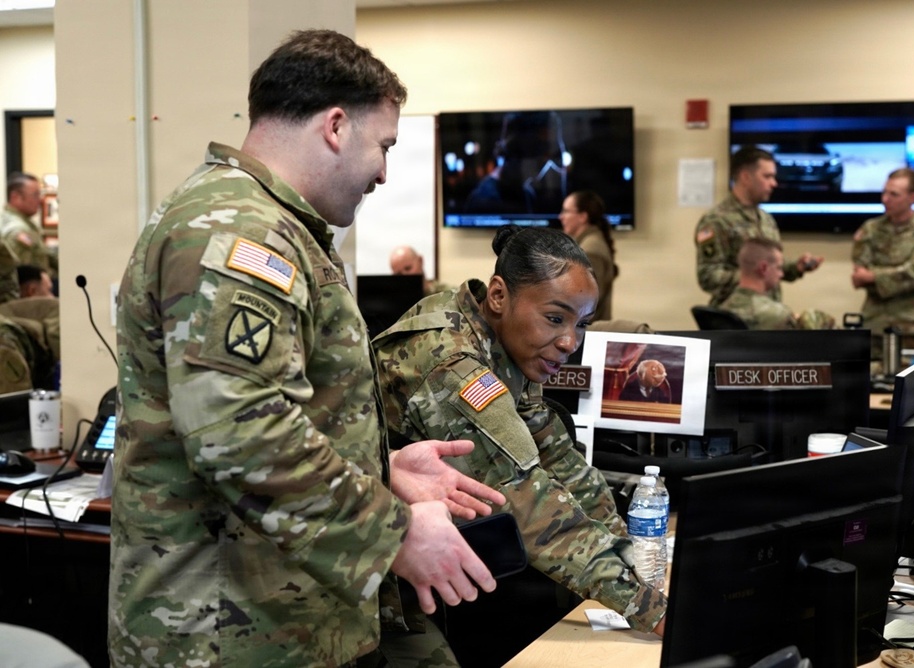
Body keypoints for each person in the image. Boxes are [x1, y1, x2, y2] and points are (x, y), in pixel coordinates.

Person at [110, 29, 508, 668]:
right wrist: (392, 536)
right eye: (383, 146)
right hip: (223, 635)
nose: (384, 171)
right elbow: (239, 433)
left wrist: (379, 466)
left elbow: (274, 408)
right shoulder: (243, 232)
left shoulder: (270, 224)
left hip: (273, 621)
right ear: (335, 126)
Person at [373, 225, 668, 642]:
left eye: (582, 324)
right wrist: (650, 607)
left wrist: (633, 560)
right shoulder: (453, 365)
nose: (569, 341)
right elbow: (529, 503)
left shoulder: (506, 338)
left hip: (424, 557)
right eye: (555, 318)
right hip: (364, 578)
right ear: (498, 295)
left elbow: (560, 460)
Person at [695, 146, 823, 306]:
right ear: (746, 177)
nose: (774, 183)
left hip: (768, 314)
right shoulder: (716, 220)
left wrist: (795, 267)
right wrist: (750, 277)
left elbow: (771, 268)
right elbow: (707, 276)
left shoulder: (766, 219)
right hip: (736, 317)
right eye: (767, 176)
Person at [851, 167, 914, 361]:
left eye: (894, 194)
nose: (885, 199)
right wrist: (892, 274)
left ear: (913, 197)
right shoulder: (871, 229)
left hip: (911, 327)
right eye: (884, 192)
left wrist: (874, 276)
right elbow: (859, 275)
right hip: (874, 325)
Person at [719, 238, 836, 330]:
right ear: (763, 268)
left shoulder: (721, 311)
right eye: (779, 268)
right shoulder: (777, 315)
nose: (781, 274)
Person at [559, 190, 618, 321]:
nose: (560, 217)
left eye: (566, 211)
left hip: (589, 335)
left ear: (582, 217)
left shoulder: (590, 250)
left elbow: (586, 304)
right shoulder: (587, 244)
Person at [1, 173, 54, 276]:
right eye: (35, 195)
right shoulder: (17, 229)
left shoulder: (20, 222)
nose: (41, 200)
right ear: (15, 197)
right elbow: (25, 281)